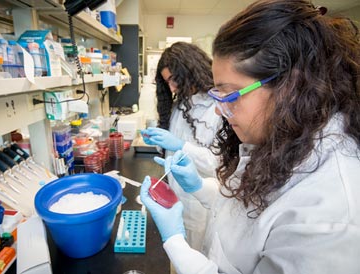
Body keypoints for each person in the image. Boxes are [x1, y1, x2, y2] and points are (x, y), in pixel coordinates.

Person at [140, 0, 360, 273]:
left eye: (230, 94)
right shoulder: (281, 136)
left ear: (291, 85)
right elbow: (244, 211)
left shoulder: (330, 212)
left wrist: (174, 242)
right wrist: (199, 187)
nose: (220, 110)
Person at [140, 42, 222, 251]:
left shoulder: (218, 107)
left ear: (191, 70)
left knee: (195, 258)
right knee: (177, 253)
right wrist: (160, 142)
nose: (172, 88)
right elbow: (172, 145)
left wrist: (180, 145)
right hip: (175, 195)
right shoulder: (180, 105)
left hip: (200, 203)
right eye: (167, 82)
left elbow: (219, 163)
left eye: (174, 79)